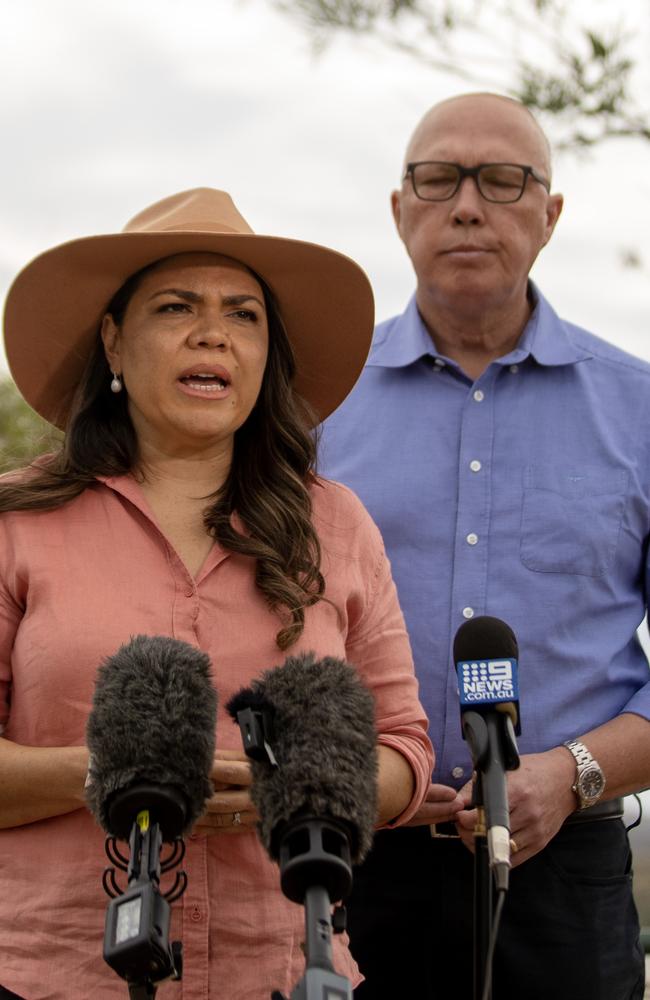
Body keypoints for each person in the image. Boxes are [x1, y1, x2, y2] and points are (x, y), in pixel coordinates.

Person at [0, 187, 433, 1000]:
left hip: (284, 970)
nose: (213, 333)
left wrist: (303, 787)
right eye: (176, 307)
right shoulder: (15, 523)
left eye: (243, 315)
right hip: (50, 976)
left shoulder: (336, 524)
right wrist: (113, 778)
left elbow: (406, 752)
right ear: (114, 345)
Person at [319, 92, 650, 1000]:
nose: (467, 204)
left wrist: (575, 772)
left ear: (550, 216)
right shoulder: (309, 409)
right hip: (343, 857)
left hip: (567, 869)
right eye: (438, 178)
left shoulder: (640, 411)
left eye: (504, 181)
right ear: (399, 210)